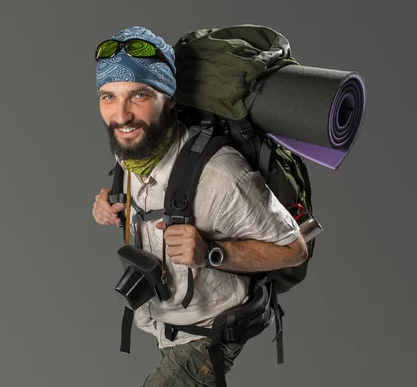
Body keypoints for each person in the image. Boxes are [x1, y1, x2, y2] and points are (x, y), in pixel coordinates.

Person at [92, 26, 309, 387]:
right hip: (166, 323)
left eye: (140, 94)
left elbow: (295, 249)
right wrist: (112, 205)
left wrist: (212, 252)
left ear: (169, 98)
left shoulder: (222, 175)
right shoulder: (133, 150)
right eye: (108, 97)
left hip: (207, 337)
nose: (122, 115)